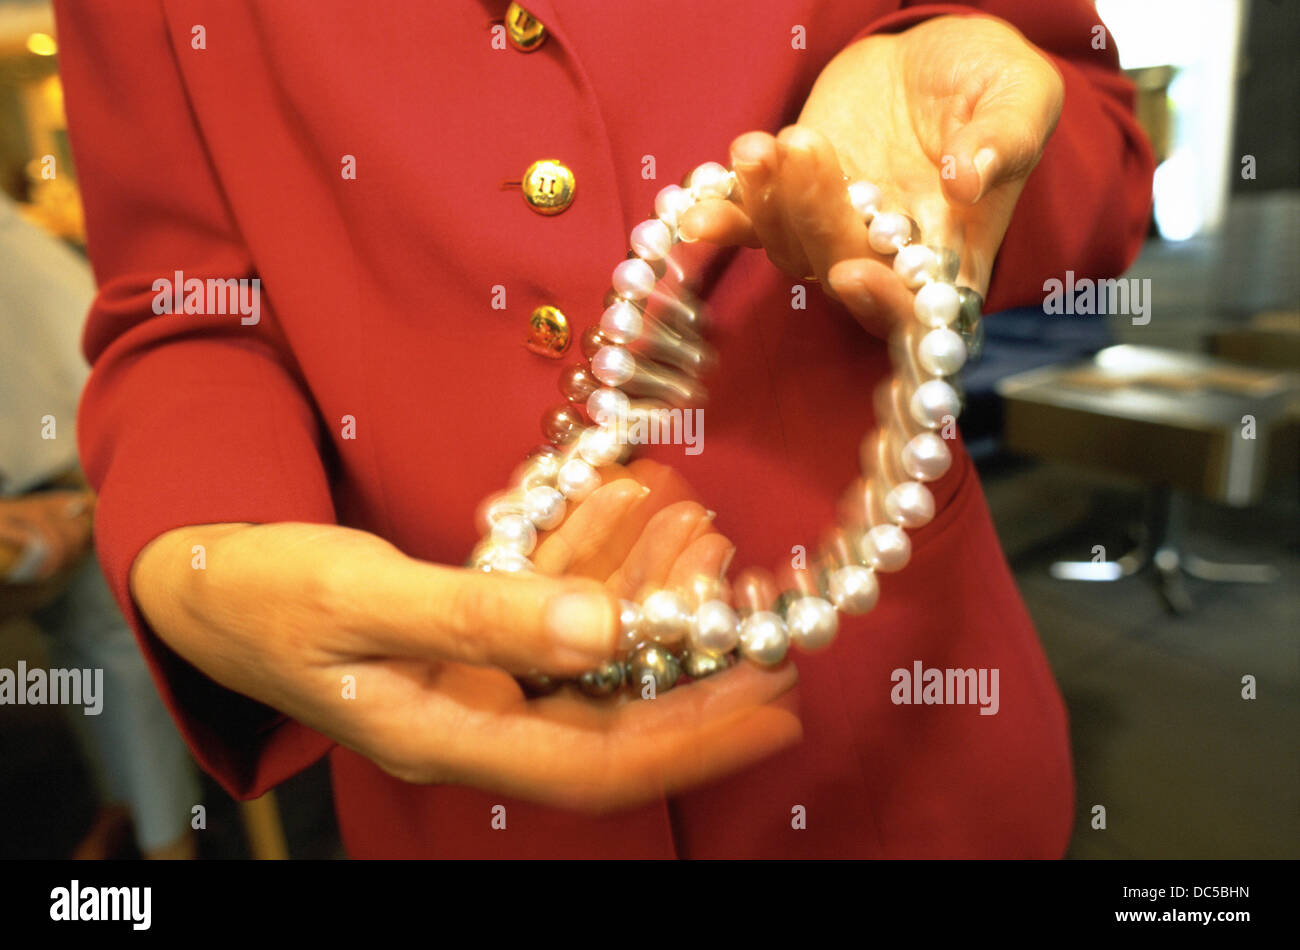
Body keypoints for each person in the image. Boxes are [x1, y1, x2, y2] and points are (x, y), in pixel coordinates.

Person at [53, 0, 1154, 858]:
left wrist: (963, 146)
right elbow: (186, 307)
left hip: (900, 748)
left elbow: (1097, 150)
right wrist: (206, 543)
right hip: (465, 793)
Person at [0, 194, 201, 859]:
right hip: (56, 491)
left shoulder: (20, 247)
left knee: (112, 655)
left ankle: (157, 834)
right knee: (97, 660)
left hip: (71, 485)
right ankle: (138, 818)